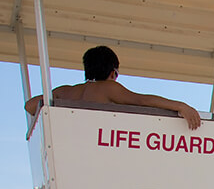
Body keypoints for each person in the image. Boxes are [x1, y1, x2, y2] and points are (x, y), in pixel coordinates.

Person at [24, 46, 202, 129]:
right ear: (112, 73)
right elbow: (142, 100)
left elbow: (30, 106)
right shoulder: (108, 88)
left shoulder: (65, 91)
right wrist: (181, 106)